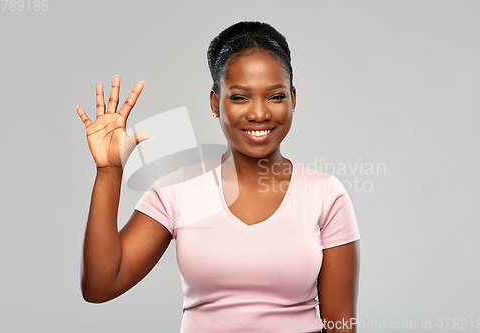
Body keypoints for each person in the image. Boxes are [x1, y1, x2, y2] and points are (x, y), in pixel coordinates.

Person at [77, 21, 360, 333]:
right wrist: (108, 172)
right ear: (215, 102)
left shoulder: (324, 194)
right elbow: (101, 286)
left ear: (293, 99)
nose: (259, 113)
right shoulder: (177, 190)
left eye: (275, 96)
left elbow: (340, 324)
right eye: (240, 97)